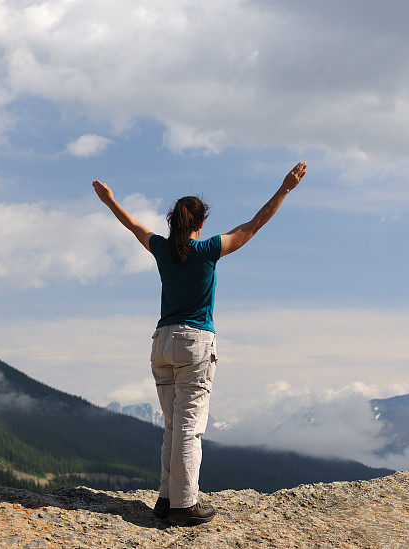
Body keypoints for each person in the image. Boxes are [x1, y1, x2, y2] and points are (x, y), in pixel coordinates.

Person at [92, 161, 306, 526]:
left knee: (172, 425)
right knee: (189, 426)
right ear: (200, 224)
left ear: (173, 223)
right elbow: (252, 226)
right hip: (194, 342)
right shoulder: (207, 250)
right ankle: (184, 505)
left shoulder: (161, 249)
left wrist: (110, 201)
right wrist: (285, 188)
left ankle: (164, 498)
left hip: (161, 342)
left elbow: (133, 226)